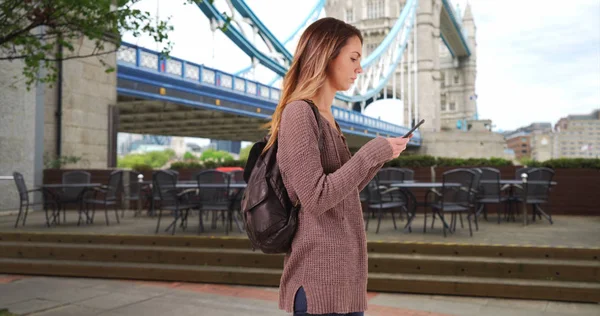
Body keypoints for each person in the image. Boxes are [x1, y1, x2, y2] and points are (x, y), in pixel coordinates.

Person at [264, 17, 412, 316]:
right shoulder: (298, 113)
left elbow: (342, 192)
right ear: (326, 56)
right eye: (354, 57)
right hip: (319, 280)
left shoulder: (329, 118)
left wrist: (380, 156)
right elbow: (317, 198)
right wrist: (369, 154)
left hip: (346, 279)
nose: (361, 68)